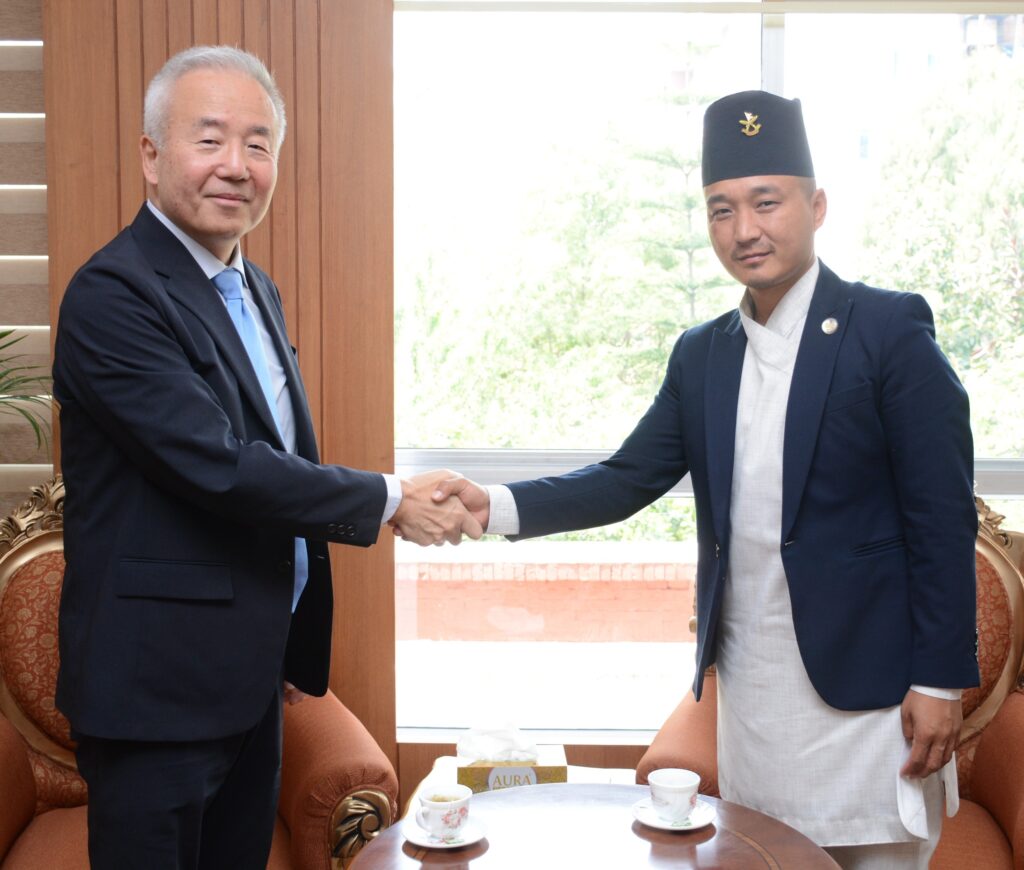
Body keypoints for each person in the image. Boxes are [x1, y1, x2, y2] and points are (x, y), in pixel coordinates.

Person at [409, 91, 979, 868]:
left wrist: (941, 682)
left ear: (816, 206)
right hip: (755, 695)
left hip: (870, 700)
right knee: (764, 857)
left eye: (766, 203)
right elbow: (624, 480)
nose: (744, 230)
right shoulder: (703, 354)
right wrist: (491, 506)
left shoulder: (887, 331)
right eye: (721, 209)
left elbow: (941, 517)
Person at [52, 45, 478, 870]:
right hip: (154, 695)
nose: (237, 166)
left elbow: (275, 461)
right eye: (209, 139)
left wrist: (279, 642)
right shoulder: (114, 294)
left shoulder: (256, 289)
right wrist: (392, 498)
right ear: (151, 155)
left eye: (258, 144)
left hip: (250, 683)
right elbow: (218, 465)